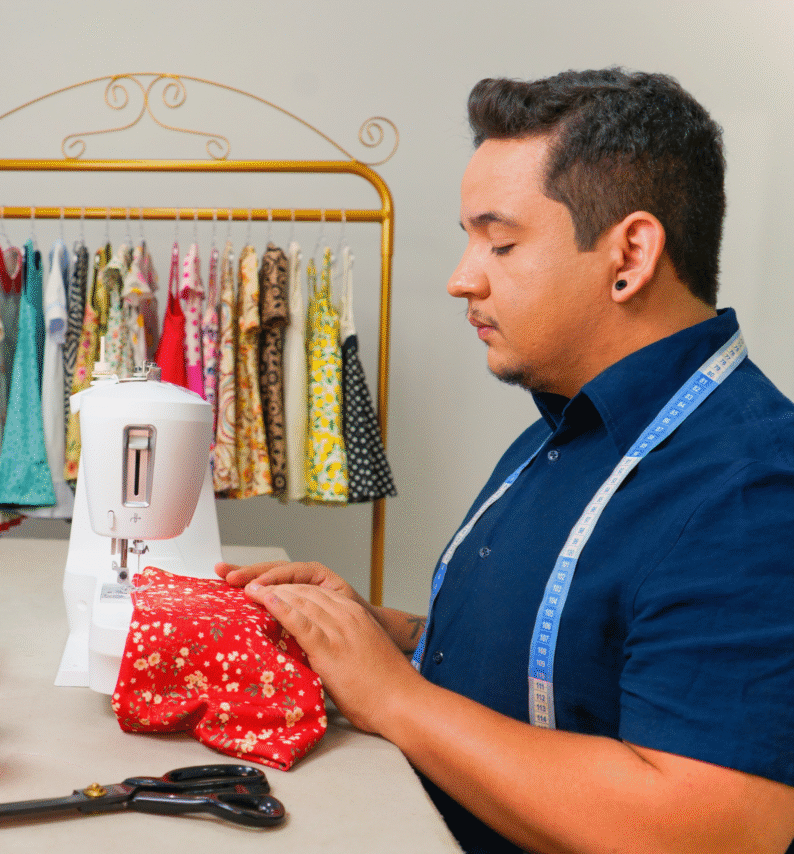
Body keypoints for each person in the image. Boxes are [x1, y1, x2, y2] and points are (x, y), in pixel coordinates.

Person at [218, 69, 794, 854]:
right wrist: (389, 637)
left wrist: (394, 698)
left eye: (501, 242)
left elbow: (712, 827)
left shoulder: (751, 488)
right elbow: (587, 666)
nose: (462, 278)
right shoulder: (560, 434)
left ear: (630, 254)